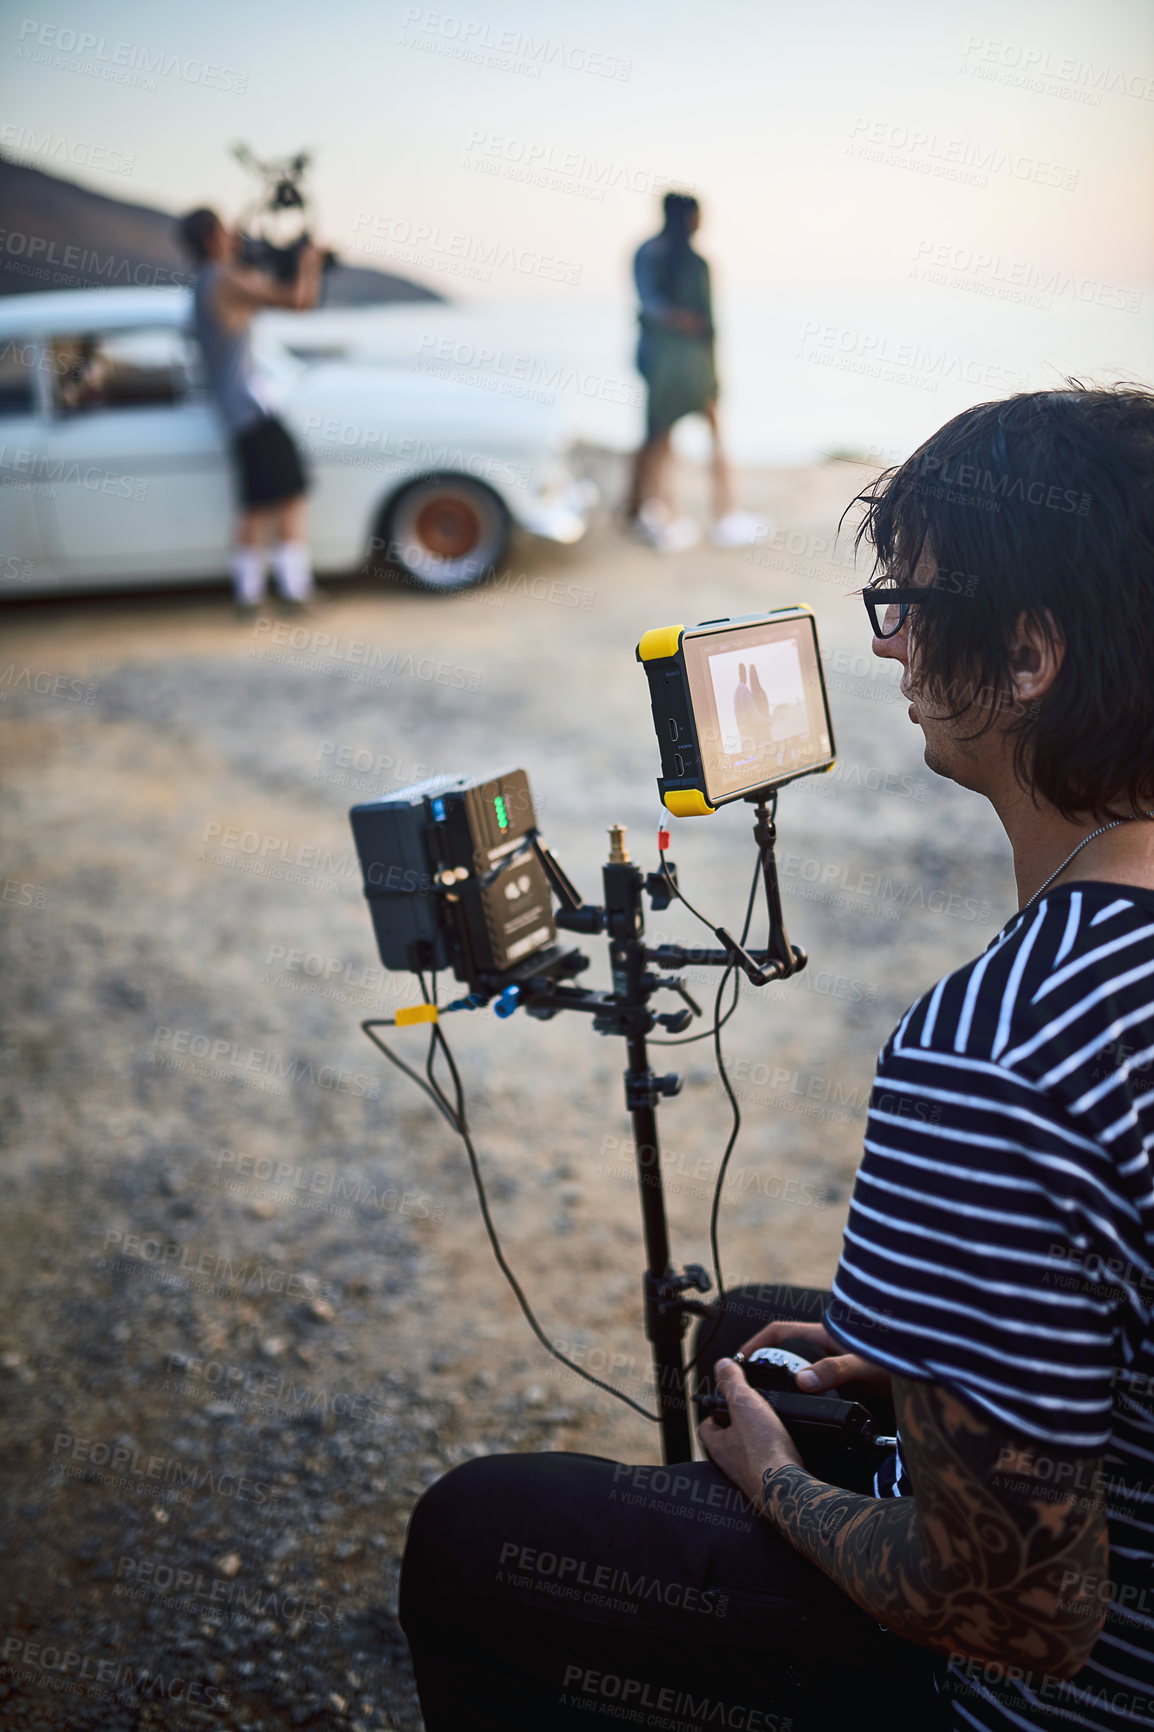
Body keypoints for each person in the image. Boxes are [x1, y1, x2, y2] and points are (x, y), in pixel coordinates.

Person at [398, 384, 1154, 1731]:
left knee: (478, 1528)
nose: (890, 647)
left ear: (1030, 654)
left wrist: (770, 1486)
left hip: (1071, 1701)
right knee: (756, 1324)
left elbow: (1015, 1617)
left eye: (911, 602)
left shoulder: (1001, 1044)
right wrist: (916, 1356)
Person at [177, 207, 323, 612]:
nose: (232, 236)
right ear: (210, 238)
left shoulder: (208, 282)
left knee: (262, 502)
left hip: (237, 410)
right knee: (282, 498)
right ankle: (286, 592)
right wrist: (307, 262)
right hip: (250, 409)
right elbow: (298, 299)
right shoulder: (224, 278)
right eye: (225, 231)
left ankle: (255, 594)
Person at [626, 192, 766, 554]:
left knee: (660, 440)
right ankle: (723, 515)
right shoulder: (696, 263)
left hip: (659, 359)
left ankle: (662, 516)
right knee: (711, 437)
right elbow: (709, 324)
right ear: (688, 218)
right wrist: (712, 365)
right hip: (690, 362)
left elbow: (648, 306)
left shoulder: (647, 253)